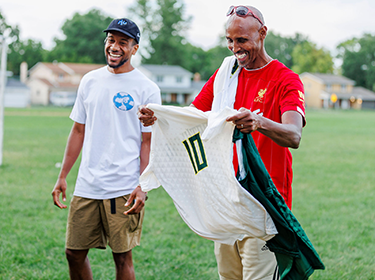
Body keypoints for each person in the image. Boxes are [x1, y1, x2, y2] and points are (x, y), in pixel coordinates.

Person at [139, 5, 305, 280]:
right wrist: (159, 116)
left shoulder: (285, 79)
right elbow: (193, 116)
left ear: (262, 33)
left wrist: (259, 122)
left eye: (242, 40)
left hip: (264, 205)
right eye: (229, 40)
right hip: (226, 199)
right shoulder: (226, 74)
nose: (234, 48)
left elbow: (294, 135)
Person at [52, 18, 161, 280]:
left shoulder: (147, 88)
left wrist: (143, 185)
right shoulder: (90, 81)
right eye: (111, 40)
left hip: (124, 186)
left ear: (134, 49)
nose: (115, 46)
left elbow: (148, 142)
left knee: (122, 257)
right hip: (87, 184)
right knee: (73, 253)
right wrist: (63, 175)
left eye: (123, 42)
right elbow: (78, 130)